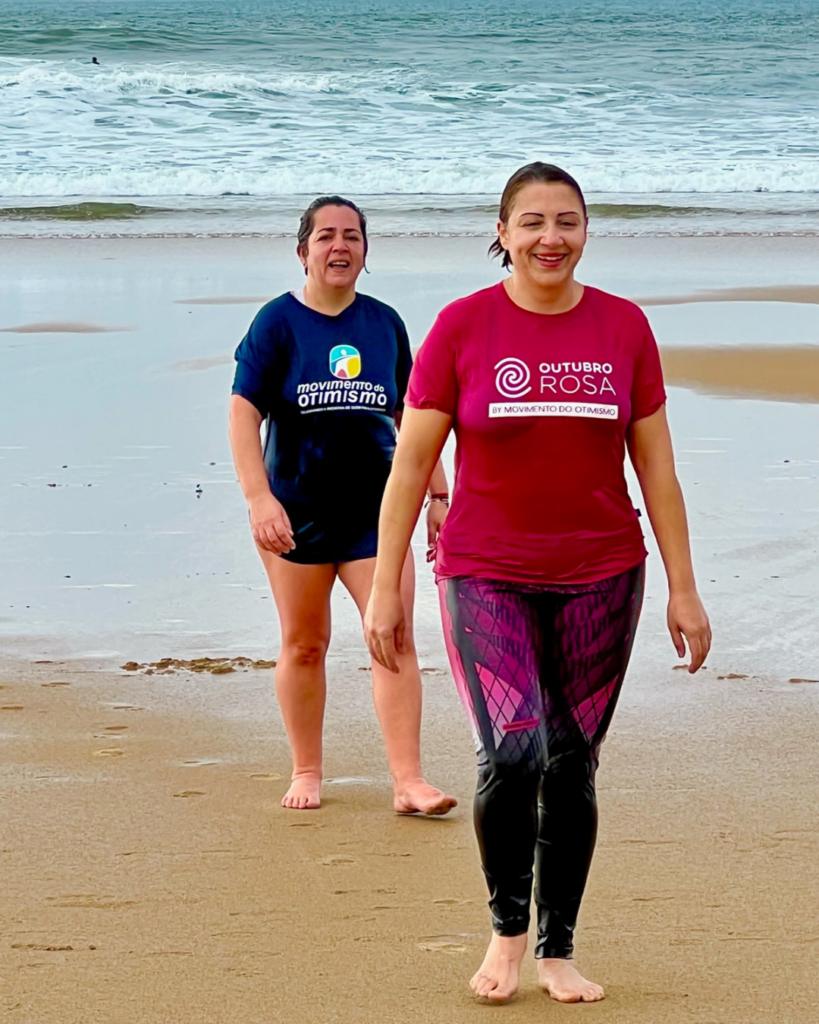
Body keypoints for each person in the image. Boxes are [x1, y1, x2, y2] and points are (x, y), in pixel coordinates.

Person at [364, 163, 711, 1004]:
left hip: (601, 573)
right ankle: (506, 934)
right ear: (502, 232)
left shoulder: (622, 328)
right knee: (514, 749)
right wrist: (386, 583)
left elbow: (656, 470)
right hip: (486, 571)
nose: (549, 238)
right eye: (531, 223)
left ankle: (558, 949)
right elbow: (410, 463)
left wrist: (682, 585)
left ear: (585, 230)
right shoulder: (462, 327)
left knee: (572, 762)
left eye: (566, 221)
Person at [229, 195, 456, 816]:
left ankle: (408, 782)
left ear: (365, 251)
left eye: (352, 236)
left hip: (376, 516)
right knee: (305, 643)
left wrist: (439, 494)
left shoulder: (383, 324)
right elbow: (243, 413)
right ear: (302, 251)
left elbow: (415, 415)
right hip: (295, 514)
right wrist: (258, 499)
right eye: (326, 235)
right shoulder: (277, 323)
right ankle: (307, 768)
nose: (340, 246)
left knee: (394, 637)